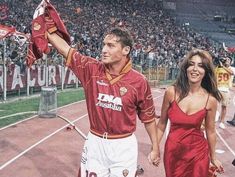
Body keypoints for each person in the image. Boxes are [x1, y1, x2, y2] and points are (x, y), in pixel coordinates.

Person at [47, 28, 160, 176]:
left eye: (111, 46)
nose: (104, 50)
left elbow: (148, 118)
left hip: (123, 145)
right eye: (104, 45)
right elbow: (67, 51)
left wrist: (155, 147)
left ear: (126, 50)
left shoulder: (139, 82)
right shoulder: (91, 69)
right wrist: (47, 31)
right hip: (95, 142)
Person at [157, 49, 224, 177]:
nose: (194, 69)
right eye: (191, 64)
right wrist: (154, 148)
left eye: (200, 66)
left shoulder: (210, 100)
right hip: (173, 153)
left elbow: (210, 131)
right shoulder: (171, 92)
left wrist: (213, 157)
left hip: (198, 153)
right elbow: (161, 124)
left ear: (206, 71)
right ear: (186, 68)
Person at [215, 56, 235, 129]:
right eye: (225, 59)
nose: (226, 60)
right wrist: (219, 65)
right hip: (217, 89)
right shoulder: (219, 67)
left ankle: (222, 122)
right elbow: (214, 75)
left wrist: (222, 66)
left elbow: (231, 73)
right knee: (213, 104)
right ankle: (216, 114)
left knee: (224, 106)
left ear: (231, 62)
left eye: (228, 60)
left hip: (226, 89)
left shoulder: (232, 68)